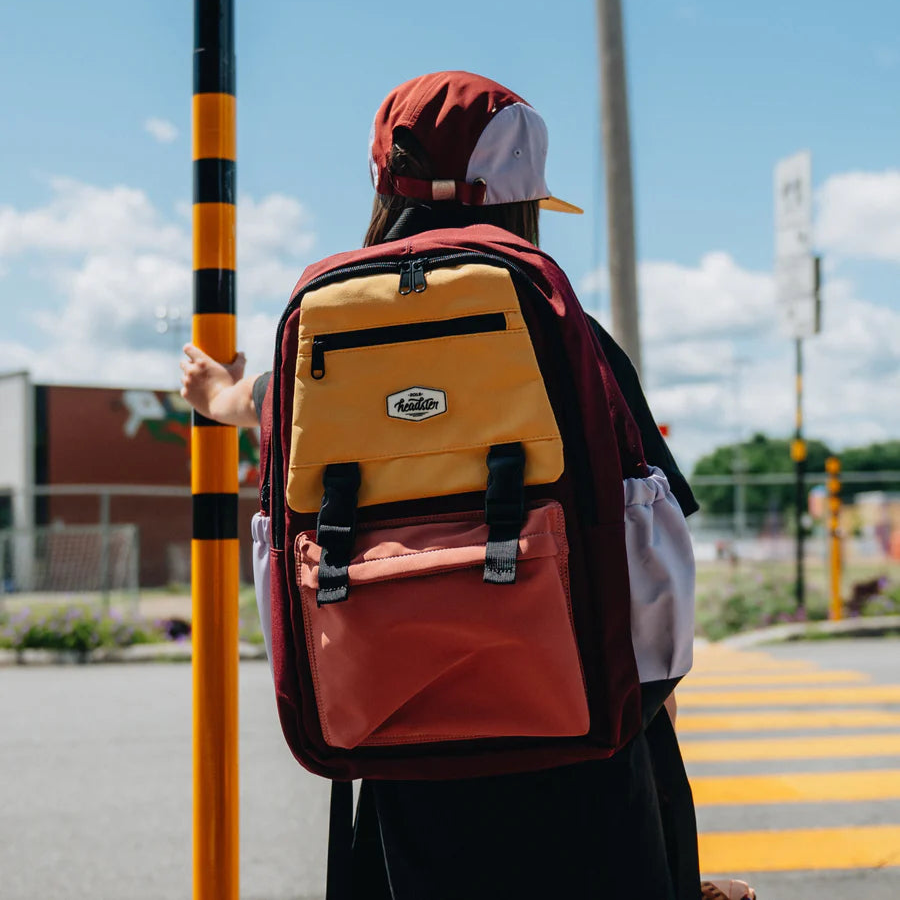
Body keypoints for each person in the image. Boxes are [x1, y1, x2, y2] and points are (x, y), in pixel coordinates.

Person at [181, 70, 754, 900]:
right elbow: (651, 576)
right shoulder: (569, 337)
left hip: (403, 756)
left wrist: (216, 395)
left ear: (383, 185)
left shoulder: (327, 346)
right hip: (583, 758)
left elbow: (263, 402)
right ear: (521, 206)